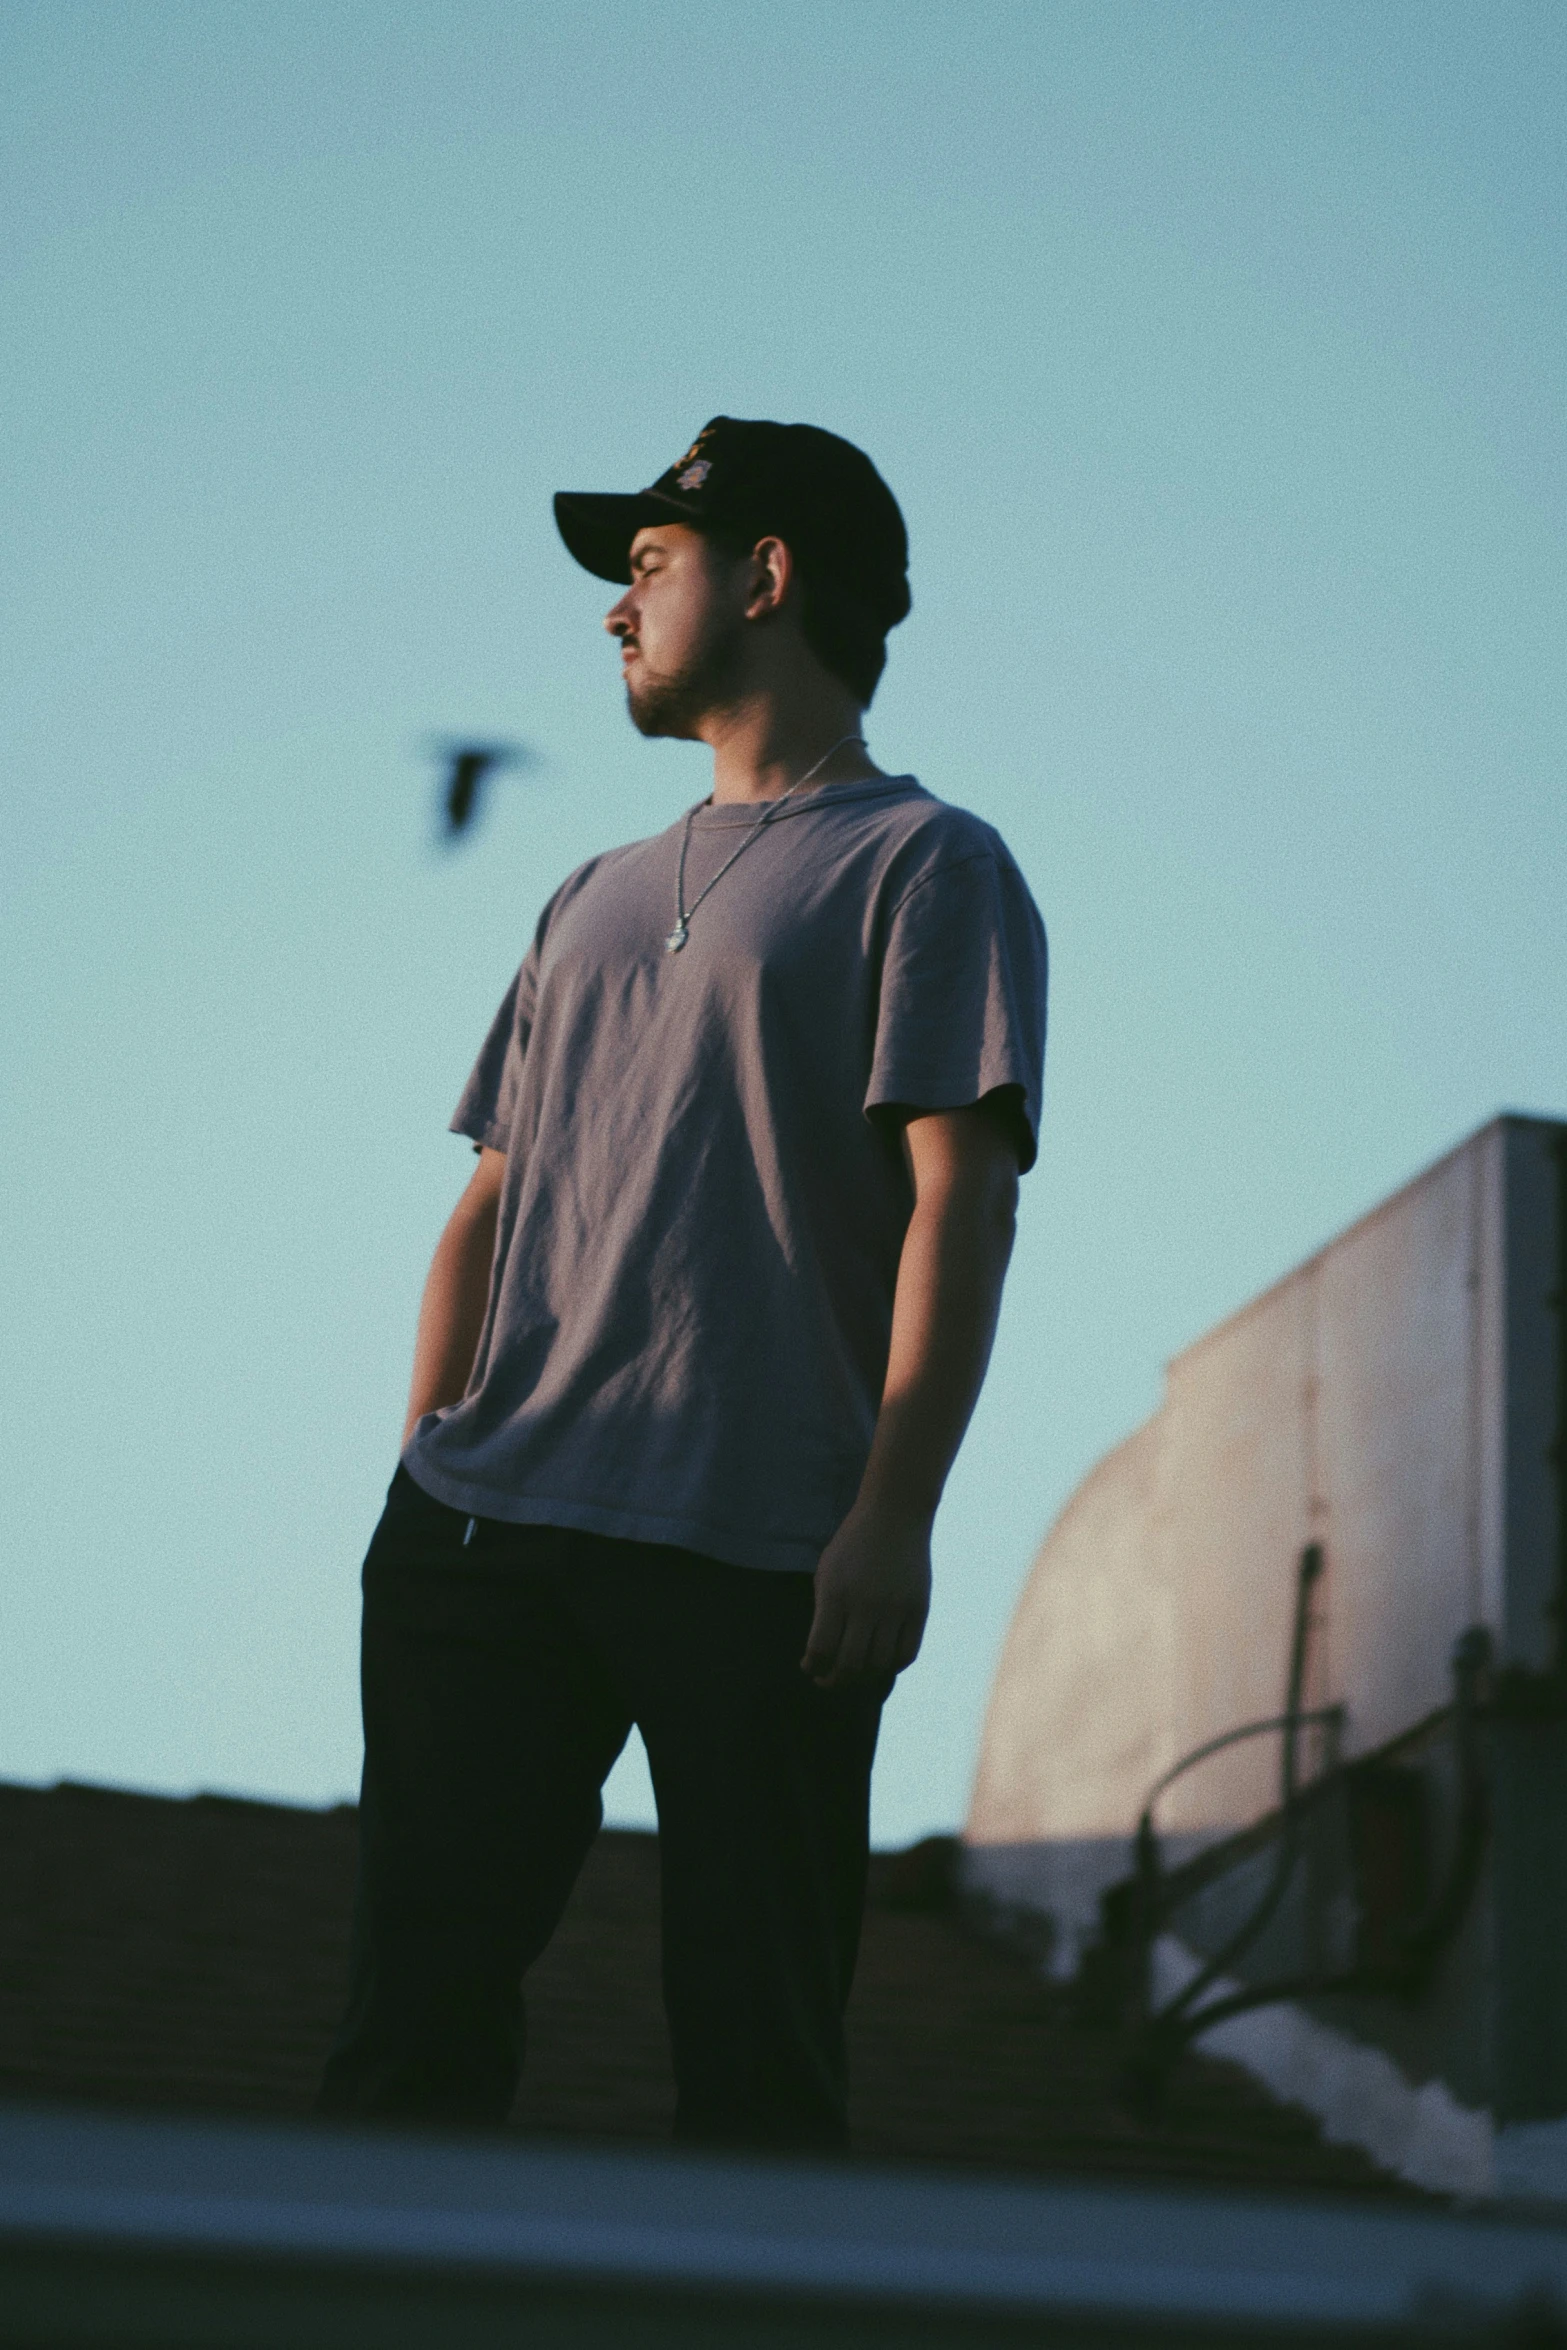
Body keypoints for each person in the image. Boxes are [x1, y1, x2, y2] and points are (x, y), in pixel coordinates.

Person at [317, 417, 1048, 2149]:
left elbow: (964, 1205)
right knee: (403, 2040)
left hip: (765, 1551)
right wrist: (427, 1451)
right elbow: (491, 1199)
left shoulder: (928, 864)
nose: (612, 610)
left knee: (757, 2062)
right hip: (485, 1530)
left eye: (646, 565)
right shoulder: (588, 891)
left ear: (769, 576)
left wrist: (892, 1515)